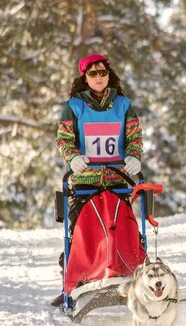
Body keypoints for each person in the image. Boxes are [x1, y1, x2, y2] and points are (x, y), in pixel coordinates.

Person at [52, 53, 144, 307]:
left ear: (109, 75)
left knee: (121, 228)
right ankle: (75, 281)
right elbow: (64, 140)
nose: (99, 78)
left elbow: (134, 139)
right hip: (85, 181)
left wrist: (134, 157)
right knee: (84, 232)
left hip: (117, 178)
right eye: (93, 73)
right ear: (85, 77)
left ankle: (126, 273)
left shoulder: (124, 105)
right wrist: (73, 158)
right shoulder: (74, 106)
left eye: (103, 72)